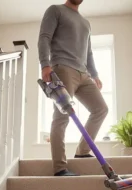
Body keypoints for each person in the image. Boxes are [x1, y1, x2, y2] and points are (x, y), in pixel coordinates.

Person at [38, 0, 108, 176]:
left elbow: (88, 52)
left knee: (101, 109)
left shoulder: (86, 22)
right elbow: (44, 37)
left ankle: (82, 151)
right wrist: (45, 64)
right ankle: (60, 167)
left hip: (83, 73)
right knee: (61, 117)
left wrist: (95, 74)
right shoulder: (55, 10)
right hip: (63, 68)